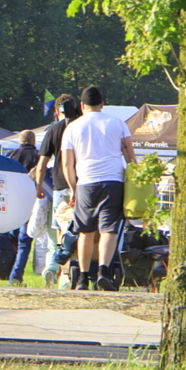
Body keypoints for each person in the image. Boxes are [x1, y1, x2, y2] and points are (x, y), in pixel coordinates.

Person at [62, 86, 136, 292]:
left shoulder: (72, 127)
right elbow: (130, 155)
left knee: (85, 231)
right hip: (113, 180)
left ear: (82, 106)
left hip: (86, 182)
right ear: (102, 105)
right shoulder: (117, 123)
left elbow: (67, 164)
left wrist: (73, 189)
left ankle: (83, 278)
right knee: (109, 230)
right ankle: (104, 272)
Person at [34, 94, 80, 287]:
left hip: (60, 186)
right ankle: (68, 276)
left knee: (61, 232)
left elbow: (42, 164)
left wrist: (38, 186)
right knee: (81, 232)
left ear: (56, 111)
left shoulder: (53, 130)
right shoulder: (82, 127)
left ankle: (54, 269)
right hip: (83, 184)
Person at [4, 130, 40, 287]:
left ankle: (3, 269)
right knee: (25, 242)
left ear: (20, 141)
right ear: (33, 141)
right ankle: (16, 276)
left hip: (11, 202)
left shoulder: (10, 155)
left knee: (10, 235)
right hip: (31, 202)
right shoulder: (39, 156)